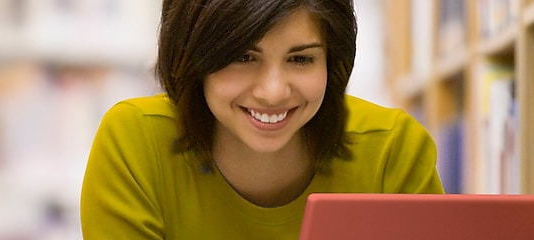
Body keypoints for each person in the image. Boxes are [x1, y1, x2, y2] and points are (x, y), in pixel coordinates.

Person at [80, 0, 444, 239]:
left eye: (300, 59)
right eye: (243, 57)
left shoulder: (393, 151)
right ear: (192, 58)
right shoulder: (135, 144)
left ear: (332, 63)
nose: (273, 92)